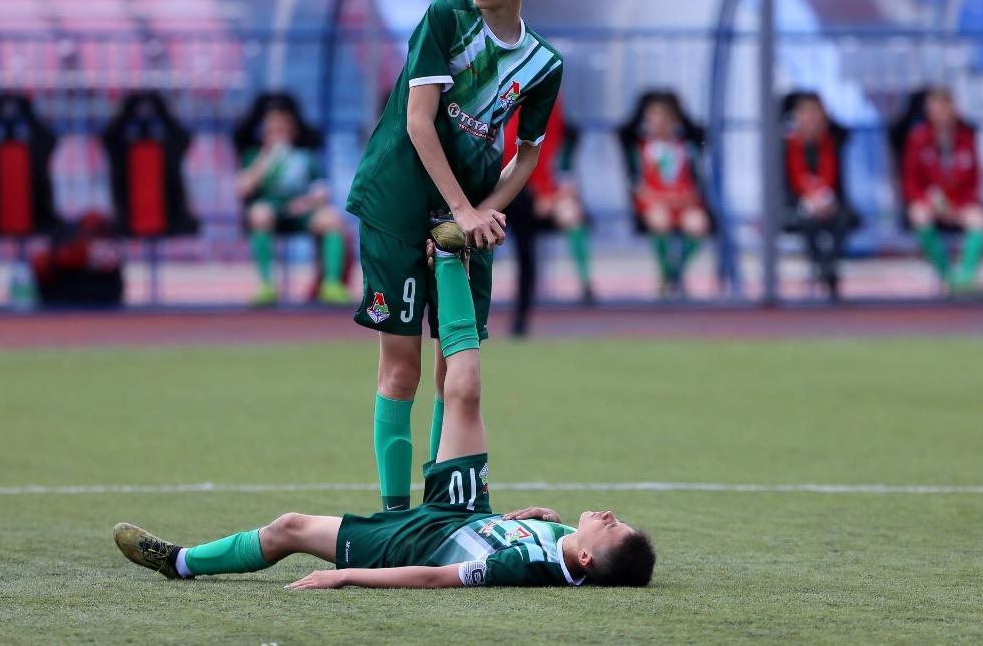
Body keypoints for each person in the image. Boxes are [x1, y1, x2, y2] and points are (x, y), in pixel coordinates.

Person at [113, 233, 654, 589]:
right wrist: (543, 517)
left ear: (588, 559)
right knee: (461, 389)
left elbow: (434, 578)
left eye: (613, 528)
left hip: (418, 542)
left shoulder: (522, 568)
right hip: (464, 507)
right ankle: (448, 259)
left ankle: (179, 561)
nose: (611, 515)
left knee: (289, 529)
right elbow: (552, 535)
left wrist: (345, 576)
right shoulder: (565, 546)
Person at [343, 0, 563, 511]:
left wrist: (481, 215)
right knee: (402, 369)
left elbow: (526, 155)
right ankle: (394, 515)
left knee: (455, 372)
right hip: (395, 202)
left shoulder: (544, 64)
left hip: (464, 222)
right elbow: (419, 122)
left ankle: (441, 512)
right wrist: (463, 212)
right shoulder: (445, 17)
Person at [236, 104, 349, 306]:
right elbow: (243, 188)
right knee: (259, 213)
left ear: (292, 131)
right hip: (271, 209)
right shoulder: (253, 155)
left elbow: (322, 191)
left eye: (282, 128)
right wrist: (266, 158)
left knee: (331, 219)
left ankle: (331, 285)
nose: (277, 133)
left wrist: (304, 204)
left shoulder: (306, 157)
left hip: (301, 210)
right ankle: (267, 286)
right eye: (272, 128)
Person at [504, 102, 593, 337]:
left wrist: (552, 193)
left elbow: (554, 162)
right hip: (512, 190)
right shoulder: (517, 105)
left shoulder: (555, 116)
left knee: (529, 252)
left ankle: (585, 285)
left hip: (532, 195)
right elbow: (516, 153)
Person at [901, 87, 983, 296]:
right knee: (918, 214)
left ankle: (965, 276)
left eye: (945, 106)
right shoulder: (918, 138)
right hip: (930, 206)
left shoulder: (966, 137)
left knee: (979, 218)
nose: (941, 112)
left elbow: (975, 180)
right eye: (936, 107)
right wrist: (931, 203)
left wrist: (956, 207)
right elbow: (910, 183)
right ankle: (948, 276)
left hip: (959, 204)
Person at [625, 93, 710, 297]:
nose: (659, 123)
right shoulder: (640, 148)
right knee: (659, 220)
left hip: (683, 203)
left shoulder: (686, 148)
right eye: (653, 117)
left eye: (664, 117)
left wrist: (682, 199)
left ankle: (675, 272)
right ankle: (667, 273)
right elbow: (639, 189)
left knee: (697, 223)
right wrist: (661, 199)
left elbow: (696, 186)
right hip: (654, 203)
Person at [783, 93, 855, 299]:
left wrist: (825, 202)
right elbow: (787, 189)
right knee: (807, 220)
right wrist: (807, 202)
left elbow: (844, 130)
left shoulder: (833, 141)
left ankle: (828, 266)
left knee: (844, 218)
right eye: (806, 112)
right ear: (796, 116)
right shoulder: (786, 145)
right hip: (798, 206)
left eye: (815, 112)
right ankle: (825, 269)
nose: (811, 118)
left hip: (832, 206)